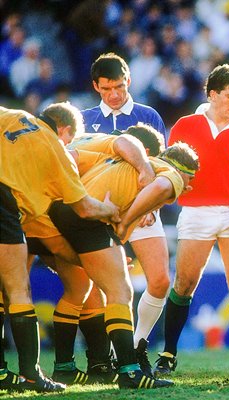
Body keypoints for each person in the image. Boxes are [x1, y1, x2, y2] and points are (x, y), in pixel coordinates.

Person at [153, 64, 229, 376]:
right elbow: (169, 167)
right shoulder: (185, 125)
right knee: (184, 282)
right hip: (197, 211)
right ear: (212, 94)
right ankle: (168, 353)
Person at [47, 139, 198, 389]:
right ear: (184, 171)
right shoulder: (169, 173)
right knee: (120, 291)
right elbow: (161, 186)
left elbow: (70, 157)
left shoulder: (117, 160)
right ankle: (129, 371)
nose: (189, 187)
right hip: (91, 216)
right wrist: (126, 222)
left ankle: (66, 368)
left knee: (78, 289)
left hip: (60, 209)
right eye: (190, 181)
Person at [0, 105, 120, 392]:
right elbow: (85, 207)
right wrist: (110, 209)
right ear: (64, 130)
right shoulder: (56, 149)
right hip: (4, 203)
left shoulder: (12, 114)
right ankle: (31, 375)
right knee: (17, 289)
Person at [81, 52, 171, 373]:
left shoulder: (149, 115)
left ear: (128, 81)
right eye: (107, 89)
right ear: (96, 87)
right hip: (100, 213)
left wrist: (151, 203)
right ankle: (100, 359)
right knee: (94, 287)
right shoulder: (84, 118)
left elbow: (164, 166)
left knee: (159, 280)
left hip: (143, 208)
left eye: (119, 86)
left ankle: (137, 347)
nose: (114, 94)